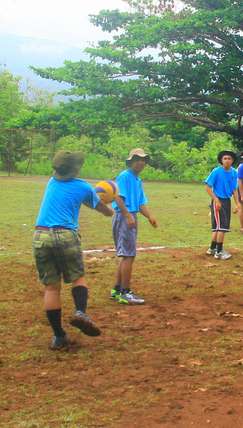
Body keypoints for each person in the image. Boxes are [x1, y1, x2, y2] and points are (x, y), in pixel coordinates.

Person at [32, 151, 113, 350]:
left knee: (52, 287)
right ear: (76, 169)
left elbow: (80, 199)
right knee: (78, 276)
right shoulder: (84, 187)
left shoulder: (52, 182)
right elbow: (101, 207)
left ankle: (59, 336)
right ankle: (80, 312)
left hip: (40, 235)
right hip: (65, 234)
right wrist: (112, 210)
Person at [110, 148, 159, 305]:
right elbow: (117, 197)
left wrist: (150, 216)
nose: (140, 162)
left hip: (130, 215)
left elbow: (140, 202)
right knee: (129, 255)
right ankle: (126, 292)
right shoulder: (124, 176)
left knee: (126, 254)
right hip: (125, 216)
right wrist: (127, 215)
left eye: (143, 160)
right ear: (130, 161)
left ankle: (117, 290)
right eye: (137, 159)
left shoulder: (137, 180)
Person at [205, 150, 243, 260]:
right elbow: (207, 187)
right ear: (221, 160)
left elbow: (235, 189)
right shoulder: (216, 171)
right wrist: (216, 200)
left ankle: (212, 248)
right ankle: (219, 251)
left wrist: (237, 204)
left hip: (227, 201)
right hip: (218, 201)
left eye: (229, 159)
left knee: (220, 227)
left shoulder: (234, 173)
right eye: (224, 158)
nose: (226, 160)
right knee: (221, 227)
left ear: (232, 161)